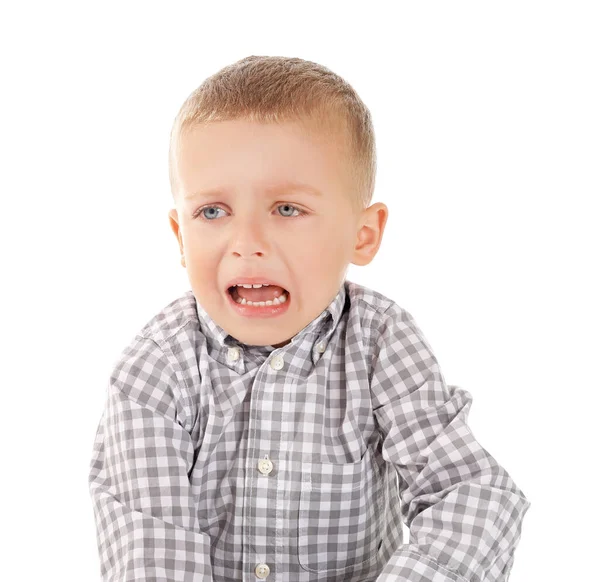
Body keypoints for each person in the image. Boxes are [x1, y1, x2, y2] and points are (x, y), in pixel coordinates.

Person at [88, 55, 530, 581]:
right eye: (212, 211)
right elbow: (149, 545)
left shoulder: (381, 341)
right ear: (181, 236)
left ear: (362, 235)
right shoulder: (155, 369)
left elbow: (474, 494)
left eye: (287, 209)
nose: (247, 244)